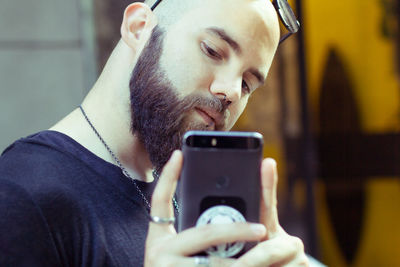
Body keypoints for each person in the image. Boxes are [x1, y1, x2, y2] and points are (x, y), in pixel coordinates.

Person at [0, 0, 310, 266]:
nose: (230, 91)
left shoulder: (188, 191)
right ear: (138, 28)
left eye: (247, 84)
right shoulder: (22, 193)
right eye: (213, 51)